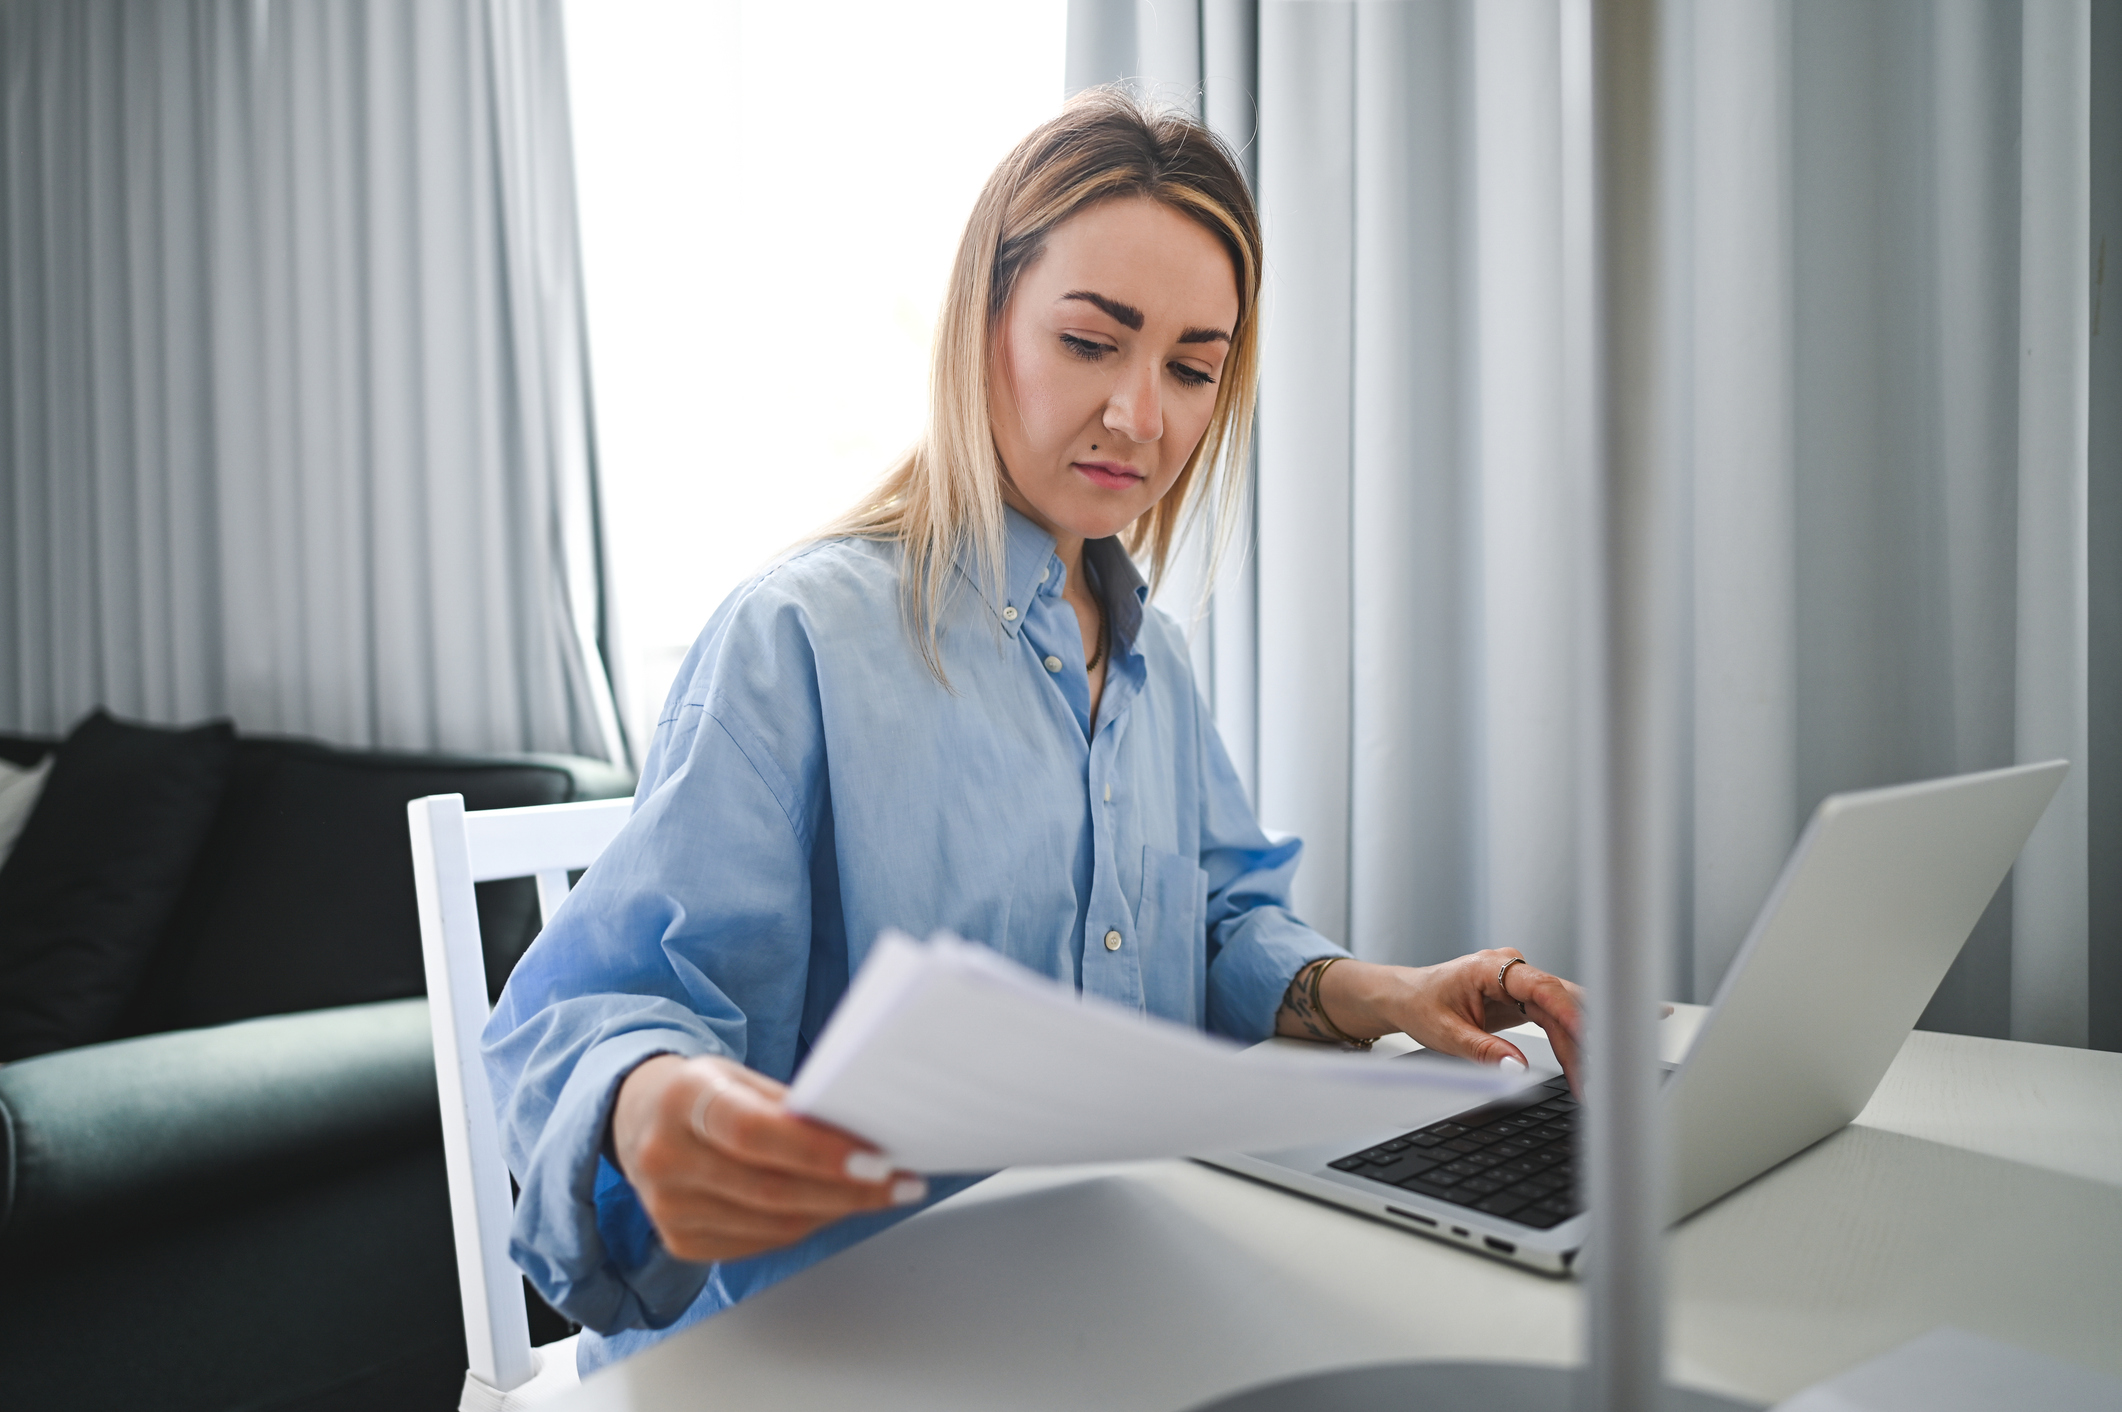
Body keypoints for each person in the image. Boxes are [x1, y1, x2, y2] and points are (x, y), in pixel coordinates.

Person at [484, 88, 1586, 1375]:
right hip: (836, 1347)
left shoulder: (1152, 660)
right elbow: (600, 1006)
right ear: (982, 327)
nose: (1141, 415)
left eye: (1189, 367)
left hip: (1104, 1299)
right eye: (1089, 342)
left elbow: (1222, 916)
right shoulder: (798, 638)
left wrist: (1372, 992)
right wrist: (651, 1098)